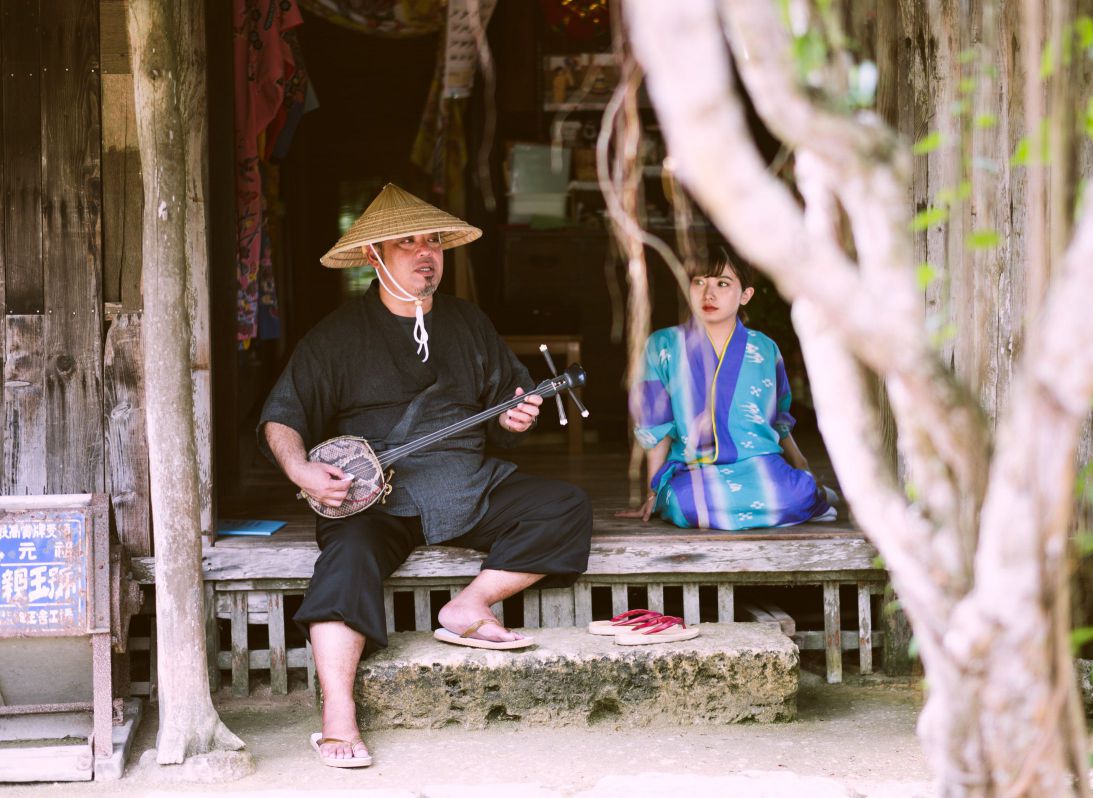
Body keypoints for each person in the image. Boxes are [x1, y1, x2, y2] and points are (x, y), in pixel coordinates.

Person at [259, 184, 592, 768]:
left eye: (434, 241)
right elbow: (281, 417)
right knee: (344, 564)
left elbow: (509, 403)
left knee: (563, 505)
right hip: (371, 499)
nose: (425, 253)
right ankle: (338, 711)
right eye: (407, 241)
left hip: (466, 485)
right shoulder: (336, 337)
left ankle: (470, 604)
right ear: (374, 256)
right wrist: (302, 468)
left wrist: (519, 417)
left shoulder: (468, 323)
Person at [620, 250, 836, 530]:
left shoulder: (765, 348)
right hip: (695, 469)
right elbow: (657, 426)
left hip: (760, 464)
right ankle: (797, 503)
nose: (708, 294)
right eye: (699, 282)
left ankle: (805, 492)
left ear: (745, 295)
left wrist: (802, 464)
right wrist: (651, 492)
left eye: (722, 284)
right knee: (685, 505)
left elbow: (779, 419)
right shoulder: (662, 345)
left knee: (798, 492)